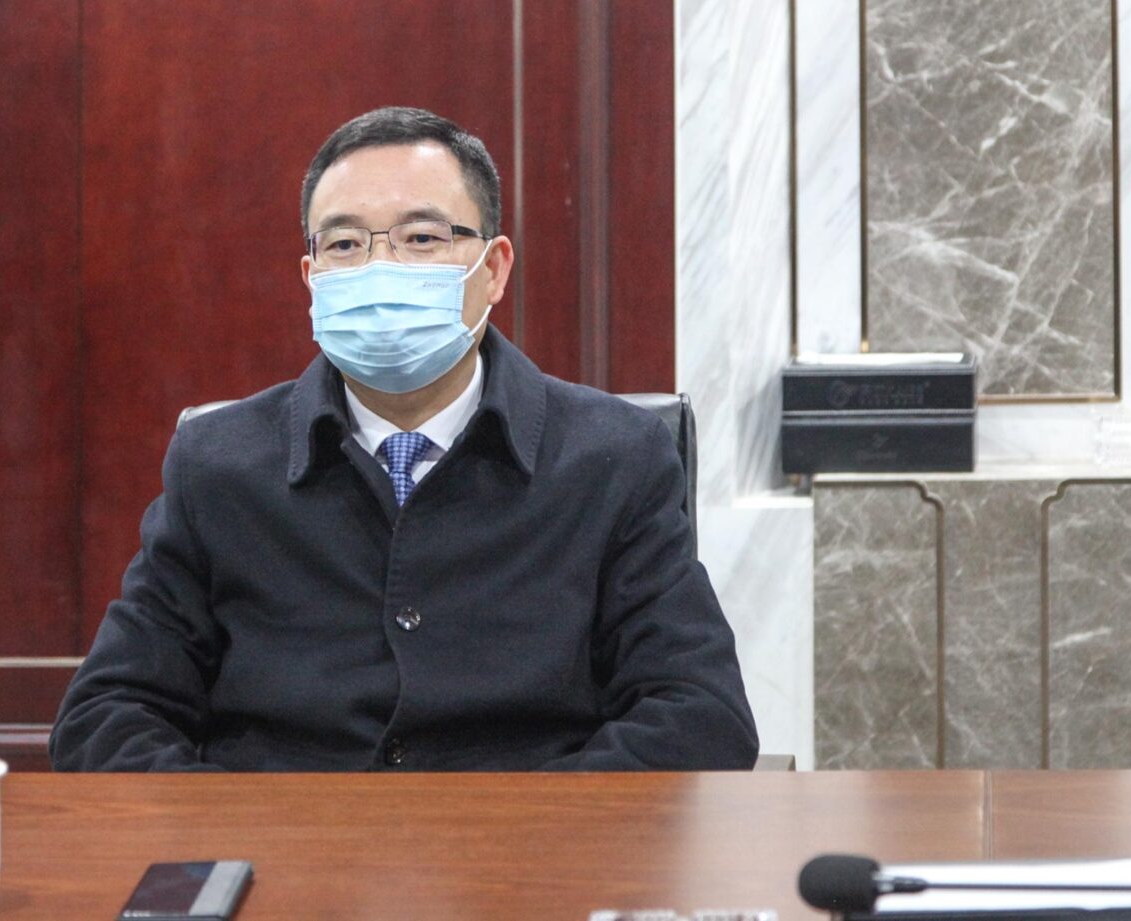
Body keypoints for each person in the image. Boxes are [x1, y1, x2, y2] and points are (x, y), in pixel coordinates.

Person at [50, 106, 758, 772]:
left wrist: (519, 834)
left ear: (493, 269)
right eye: (345, 244)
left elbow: (699, 714)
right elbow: (107, 717)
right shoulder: (218, 466)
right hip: (282, 852)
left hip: (531, 851)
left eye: (421, 238)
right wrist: (255, 834)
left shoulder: (616, 458)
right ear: (312, 277)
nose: (379, 270)